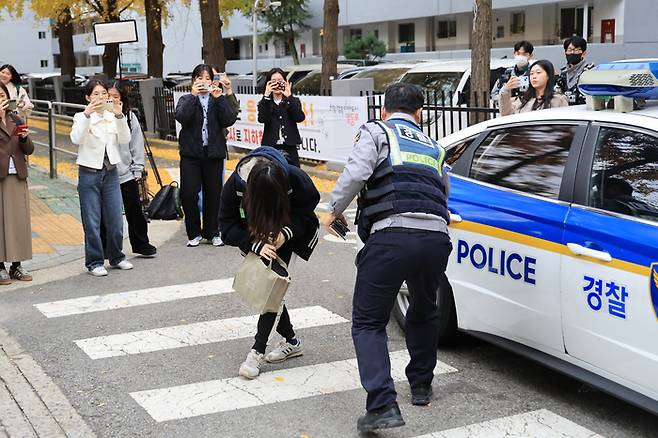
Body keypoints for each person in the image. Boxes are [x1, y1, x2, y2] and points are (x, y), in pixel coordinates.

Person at [322, 83, 453, 433]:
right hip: (437, 239)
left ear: (384, 110)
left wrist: (333, 210)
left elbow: (356, 174)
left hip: (392, 237)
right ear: (419, 114)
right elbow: (442, 194)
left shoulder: (377, 131)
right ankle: (422, 386)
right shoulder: (435, 147)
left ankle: (382, 404)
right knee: (424, 310)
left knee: (367, 322)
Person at [220, 146, 320, 379]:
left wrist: (286, 232)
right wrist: (254, 244)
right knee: (273, 291)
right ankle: (292, 341)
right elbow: (226, 228)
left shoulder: (295, 178)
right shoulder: (235, 186)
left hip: (289, 233)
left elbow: (307, 213)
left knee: (273, 289)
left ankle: (256, 352)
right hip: (256, 238)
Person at [70, 80, 134, 276]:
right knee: (92, 221)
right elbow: (76, 139)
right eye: (95, 94)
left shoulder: (113, 116)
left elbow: (125, 139)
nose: (100, 97)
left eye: (103, 93)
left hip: (111, 172)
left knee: (115, 219)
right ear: (88, 98)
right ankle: (95, 261)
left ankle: (117, 257)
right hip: (89, 172)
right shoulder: (81, 116)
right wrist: (88, 115)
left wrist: (120, 115)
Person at [176, 64, 237, 247]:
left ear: (213, 81)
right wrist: (194, 96)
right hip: (191, 154)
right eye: (199, 78)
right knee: (189, 193)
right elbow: (182, 117)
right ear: (194, 80)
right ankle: (193, 232)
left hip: (214, 153)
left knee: (214, 194)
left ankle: (213, 231)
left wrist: (219, 99)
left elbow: (229, 119)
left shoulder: (216, 99)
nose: (203, 82)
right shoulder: (186, 99)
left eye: (207, 78)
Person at [102, 82, 157, 257]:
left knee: (134, 209)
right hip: (104, 173)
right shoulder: (97, 116)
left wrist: (137, 169)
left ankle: (141, 243)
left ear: (123, 100)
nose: (112, 100)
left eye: (116, 97)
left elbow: (136, 144)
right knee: (104, 213)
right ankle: (104, 248)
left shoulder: (129, 117)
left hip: (125, 173)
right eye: (107, 97)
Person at [0, 82, 34, 285]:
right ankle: (0, 266)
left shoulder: (15, 118)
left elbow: (29, 149)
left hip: (18, 176)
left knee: (19, 222)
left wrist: (24, 138)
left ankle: (17, 265)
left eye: (2, 95)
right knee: (1, 222)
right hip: (1, 176)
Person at [258, 68, 305, 167]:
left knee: (293, 175)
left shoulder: (293, 100)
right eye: (273, 81)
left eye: (280, 81)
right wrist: (266, 95)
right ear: (268, 84)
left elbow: (299, 117)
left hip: (289, 145)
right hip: (271, 146)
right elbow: (262, 118)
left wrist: (289, 96)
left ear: (286, 82)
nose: (277, 84)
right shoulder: (265, 102)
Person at [499, 59, 568, 116]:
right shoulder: (523, 100)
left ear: (548, 76)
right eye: (531, 73)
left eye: (538, 72)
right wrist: (506, 89)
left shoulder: (559, 100)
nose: (534, 76)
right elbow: (506, 115)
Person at [555, 36, 595, 105]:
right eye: (569, 50)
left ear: (583, 53)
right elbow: (557, 92)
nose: (572, 53)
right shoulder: (563, 73)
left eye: (576, 50)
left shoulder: (590, 71)